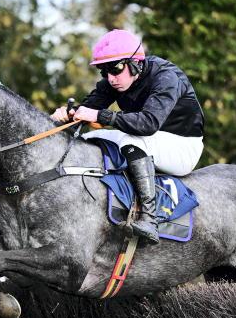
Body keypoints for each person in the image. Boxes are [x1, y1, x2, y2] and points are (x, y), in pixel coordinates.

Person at [51, 29, 205, 245]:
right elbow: (89, 108)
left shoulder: (166, 77)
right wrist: (68, 114)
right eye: (104, 71)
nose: (110, 78)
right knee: (92, 138)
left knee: (131, 141)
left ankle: (150, 219)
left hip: (182, 146)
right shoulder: (117, 79)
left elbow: (148, 123)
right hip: (148, 139)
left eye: (115, 68)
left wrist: (99, 115)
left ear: (135, 63)